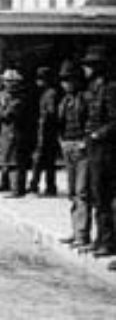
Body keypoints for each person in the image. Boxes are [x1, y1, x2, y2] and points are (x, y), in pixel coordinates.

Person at [79, 45, 116, 259]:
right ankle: (100, 239)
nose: (84, 68)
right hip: (94, 150)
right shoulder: (94, 88)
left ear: (97, 67)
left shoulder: (110, 88)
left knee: (104, 197)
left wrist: (96, 135)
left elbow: (114, 121)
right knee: (95, 196)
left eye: (88, 65)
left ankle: (108, 242)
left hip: (106, 151)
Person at [56, 59, 91, 248]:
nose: (66, 84)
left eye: (69, 80)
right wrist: (61, 142)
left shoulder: (85, 98)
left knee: (82, 191)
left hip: (81, 147)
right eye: (63, 80)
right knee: (71, 192)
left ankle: (82, 234)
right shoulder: (64, 101)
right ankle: (76, 230)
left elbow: (91, 121)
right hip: (68, 146)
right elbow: (59, 124)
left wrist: (85, 142)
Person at [0, 68, 32, 197]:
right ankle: (5, 183)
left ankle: (17, 188)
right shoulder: (3, 95)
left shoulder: (20, 98)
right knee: (5, 158)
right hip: (4, 132)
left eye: (9, 81)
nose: (6, 83)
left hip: (15, 132)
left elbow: (8, 114)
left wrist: (2, 108)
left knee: (15, 160)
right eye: (5, 81)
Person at [29, 66, 60, 196]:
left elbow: (51, 113)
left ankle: (35, 185)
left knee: (39, 160)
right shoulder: (46, 93)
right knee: (48, 162)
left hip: (46, 131)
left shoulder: (50, 93)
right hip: (47, 131)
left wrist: (42, 119)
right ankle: (49, 186)